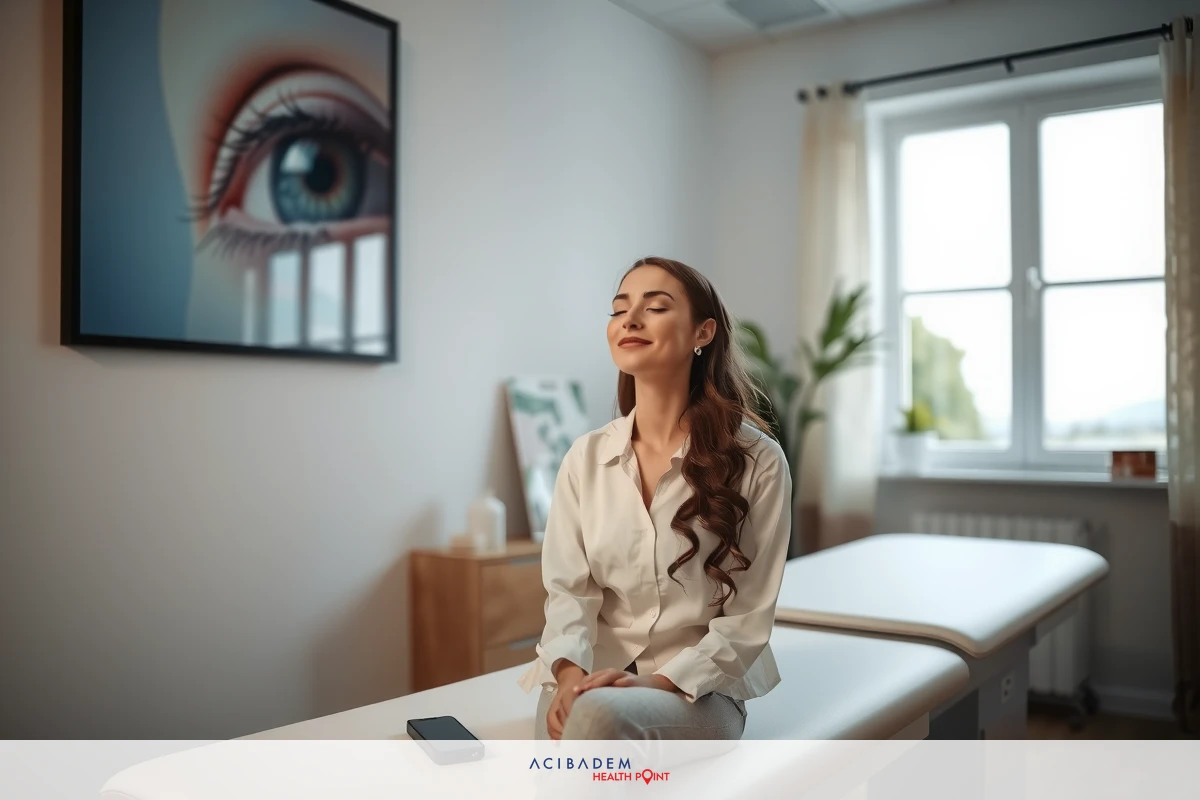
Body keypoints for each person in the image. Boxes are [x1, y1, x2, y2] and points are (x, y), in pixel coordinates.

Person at [516, 256, 793, 741]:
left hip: (696, 689)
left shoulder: (759, 462)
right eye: (620, 308)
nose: (631, 319)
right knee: (583, 726)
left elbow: (747, 622)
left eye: (656, 307)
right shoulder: (586, 458)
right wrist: (569, 677)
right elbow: (569, 595)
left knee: (599, 722)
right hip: (587, 681)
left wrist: (651, 683)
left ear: (702, 333)